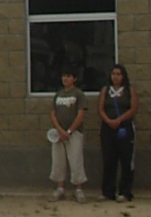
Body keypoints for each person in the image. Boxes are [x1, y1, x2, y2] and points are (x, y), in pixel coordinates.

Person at [98, 63, 139, 202]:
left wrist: (119, 120)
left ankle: (125, 192)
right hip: (108, 127)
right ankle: (108, 191)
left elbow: (133, 108)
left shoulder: (129, 90)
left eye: (118, 74)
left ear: (123, 76)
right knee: (109, 159)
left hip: (124, 127)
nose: (115, 77)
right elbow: (101, 108)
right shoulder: (105, 90)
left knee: (126, 160)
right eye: (113, 74)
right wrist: (109, 121)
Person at [49, 66, 88, 203]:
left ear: (75, 79)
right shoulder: (58, 94)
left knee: (76, 159)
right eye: (64, 76)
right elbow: (53, 113)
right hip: (59, 134)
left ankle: (78, 189)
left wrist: (69, 131)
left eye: (69, 76)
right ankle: (60, 188)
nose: (65, 79)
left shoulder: (78, 94)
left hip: (74, 133)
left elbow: (81, 114)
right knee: (58, 160)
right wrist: (60, 130)